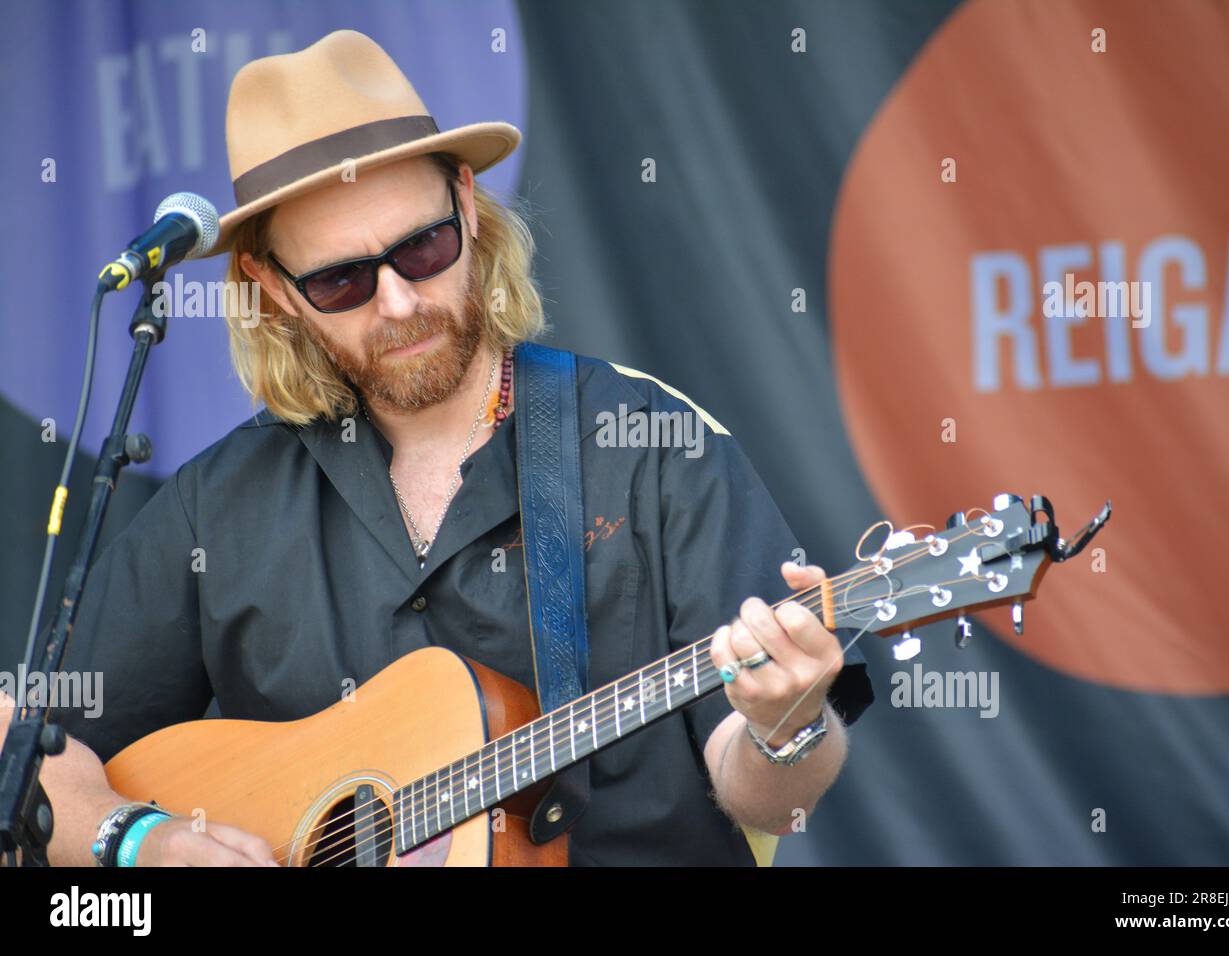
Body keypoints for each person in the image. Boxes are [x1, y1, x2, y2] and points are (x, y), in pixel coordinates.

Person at [5, 29, 873, 867]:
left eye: (422, 248)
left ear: (467, 201)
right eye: (340, 279)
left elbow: (762, 793)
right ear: (274, 289)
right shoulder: (219, 505)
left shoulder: (647, 444)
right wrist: (135, 840)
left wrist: (785, 725)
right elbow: (25, 746)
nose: (396, 303)